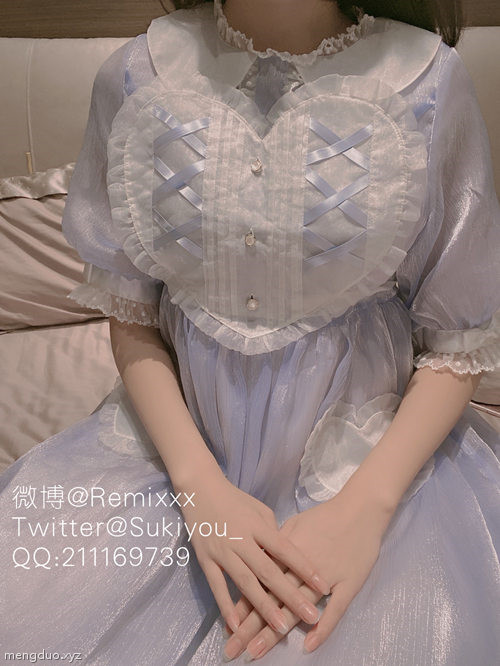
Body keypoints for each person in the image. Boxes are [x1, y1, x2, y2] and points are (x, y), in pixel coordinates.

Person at [1, 0, 500, 663]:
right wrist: (198, 488)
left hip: (374, 467)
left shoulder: (430, 81)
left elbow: (457, 340)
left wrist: (366, 509)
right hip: (176, 458)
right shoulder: (134, 76)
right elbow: (131, 311)